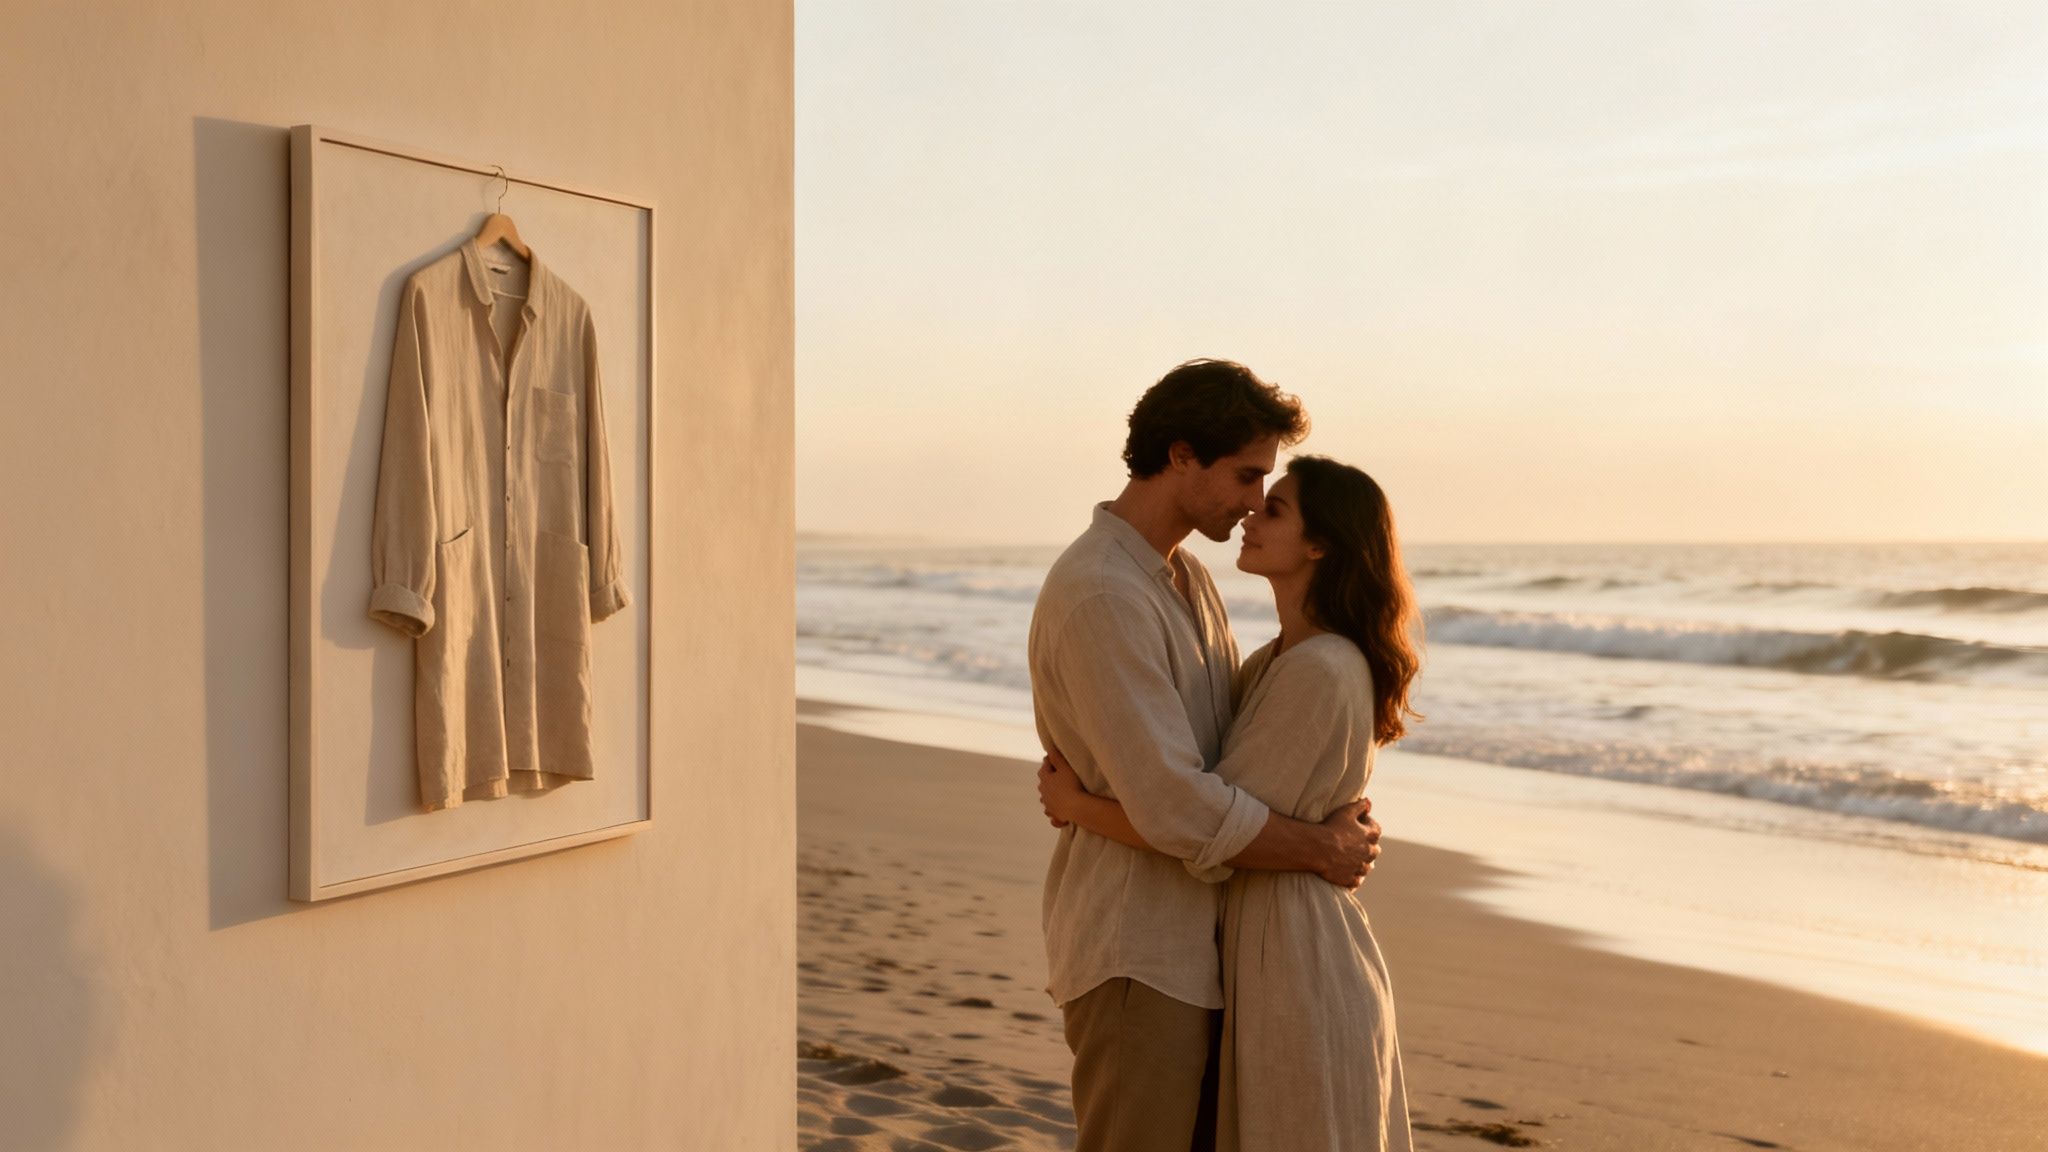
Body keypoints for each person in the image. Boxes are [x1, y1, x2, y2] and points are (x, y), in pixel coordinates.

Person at [1027, 360, 1386, 1152]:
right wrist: (1321, 847)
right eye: (1247, 475)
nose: (1256, 500)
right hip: (1138, 948)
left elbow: (1241, 752)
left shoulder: (1187, 578)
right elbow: (1178, 805)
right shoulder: (1104, 594)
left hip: (1208, 950)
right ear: (1182, 456)